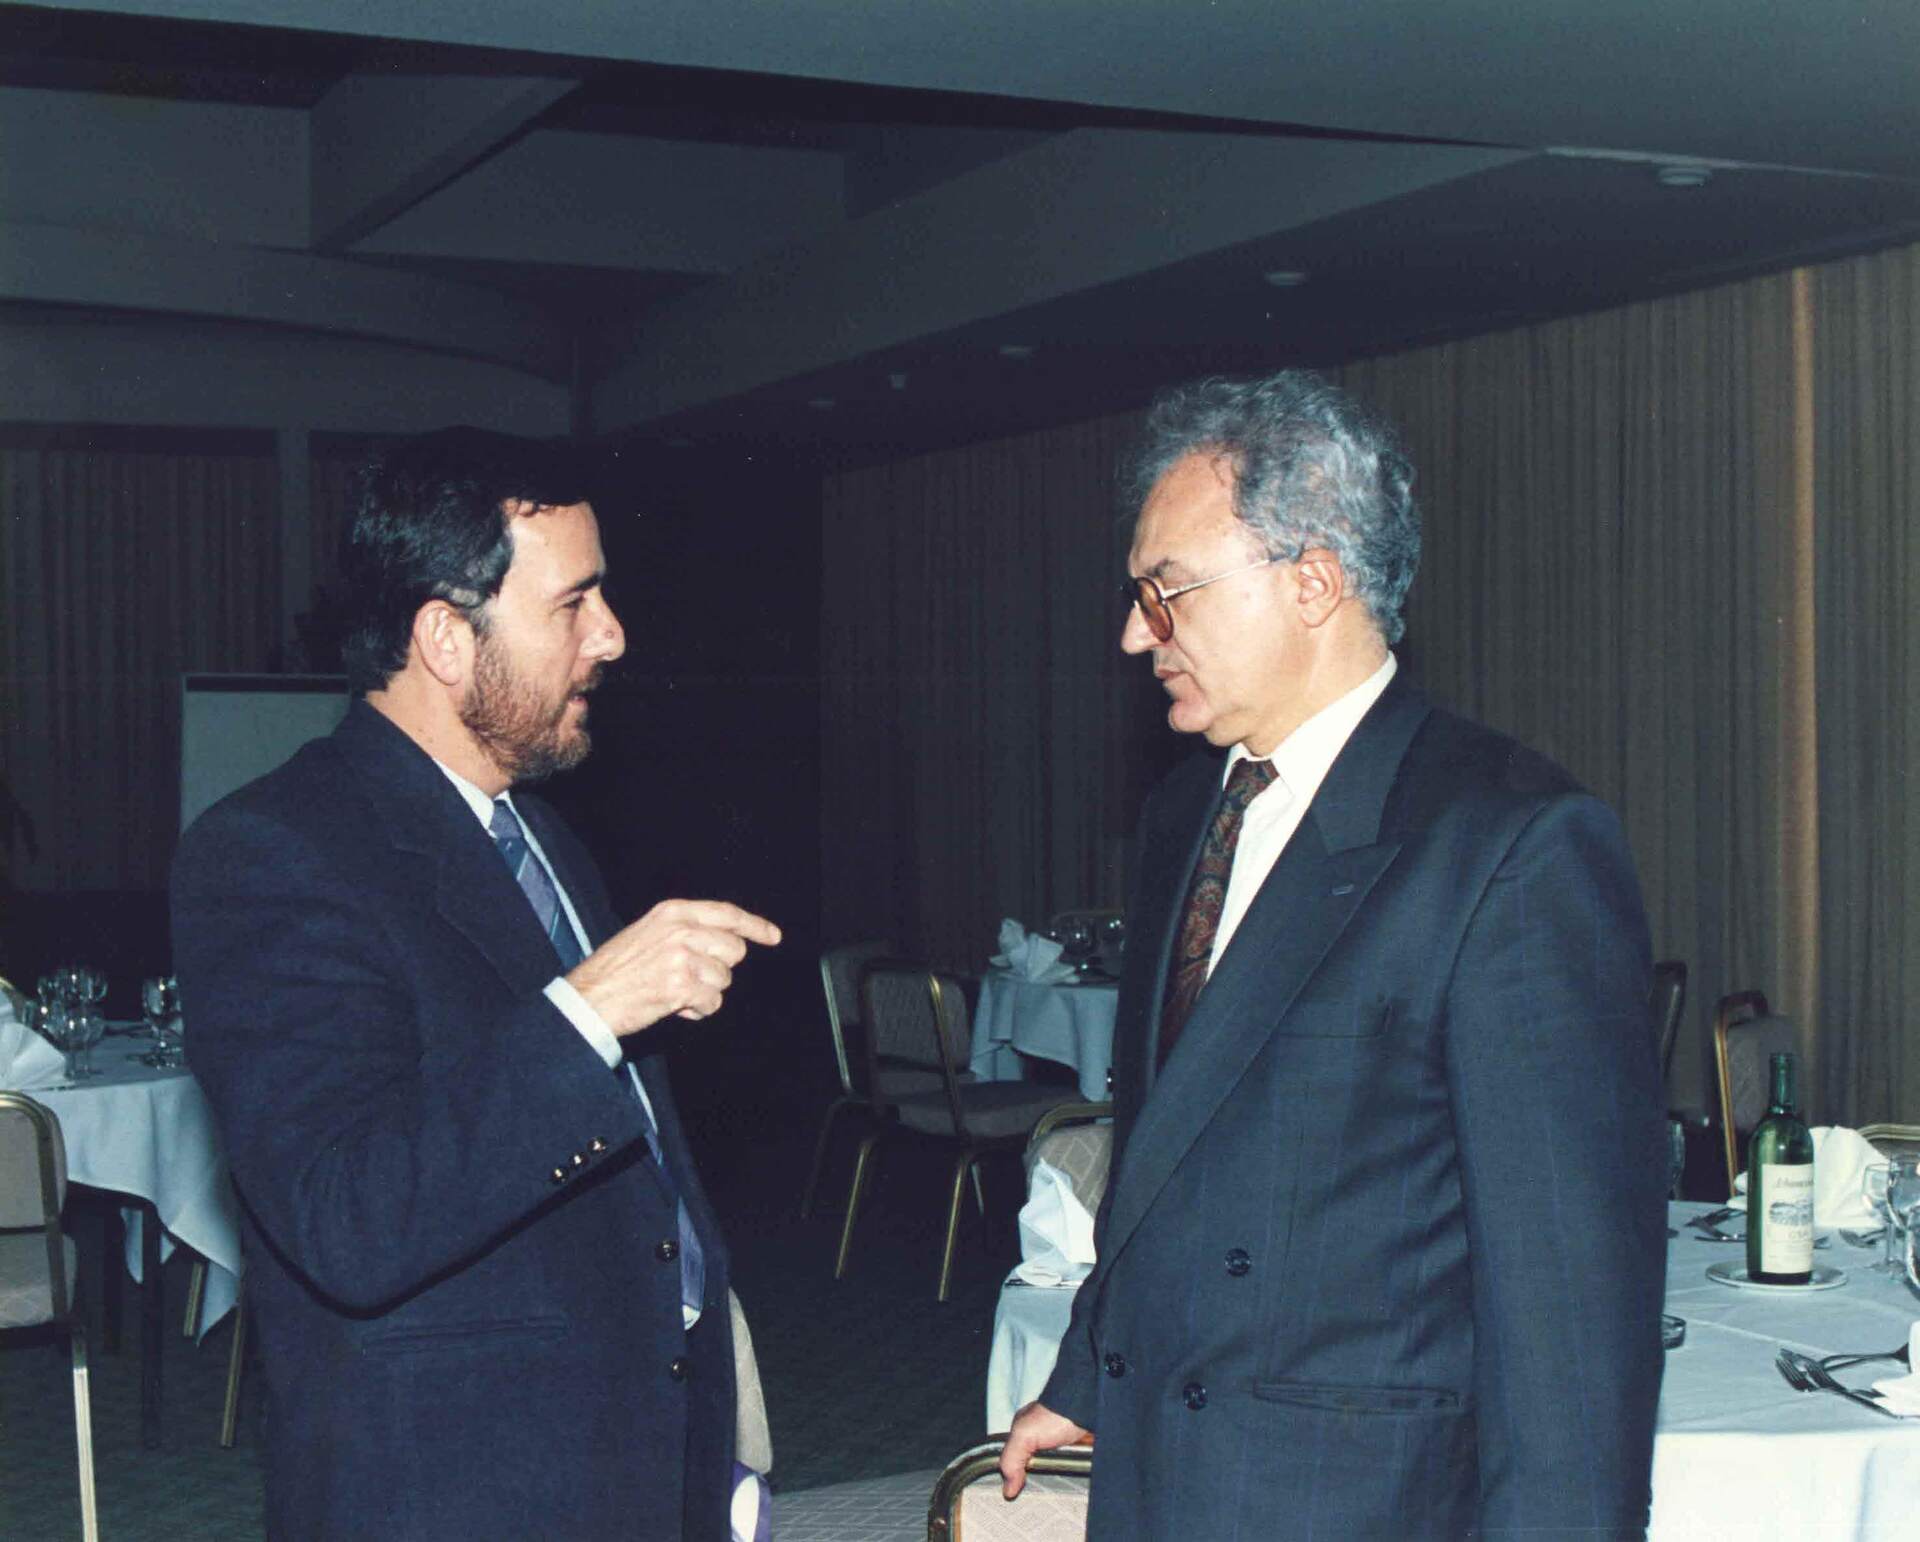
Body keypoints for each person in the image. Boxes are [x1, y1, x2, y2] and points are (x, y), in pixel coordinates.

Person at [1000, 372, 1666, 1537]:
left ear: (1311, 582)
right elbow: (1168, 1160)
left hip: (1350, 1500)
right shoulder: (1186, 814)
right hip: (1162, 1468)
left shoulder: (1508, 844)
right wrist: (1089, 1372)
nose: (1135, 634)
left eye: (1166, 593)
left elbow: (1569, 1311)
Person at [173, 428, 781, 1541]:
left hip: (633, 1454)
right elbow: (347, 1216)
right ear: (446, 640)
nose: (612, 634)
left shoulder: (542, 835)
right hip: (462, 1487)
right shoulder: (273, 850)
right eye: (574, 603)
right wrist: (589, 1010)